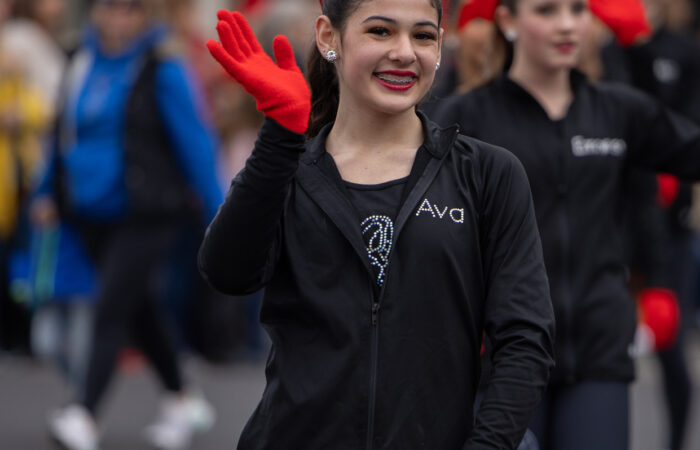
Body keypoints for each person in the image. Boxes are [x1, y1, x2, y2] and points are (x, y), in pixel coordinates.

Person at [200, 0, 555, 448]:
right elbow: (227, 273)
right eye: (381, 32)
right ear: (329, 37)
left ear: (441, 46)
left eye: (423, 36)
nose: (405, 52)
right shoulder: (289, 171)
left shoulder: (489, 174)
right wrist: (280, 137)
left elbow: (524, 339)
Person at [432, 0, 700, 449]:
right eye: (546, 10)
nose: (567, 25)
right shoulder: (468, 117)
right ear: (507, 21)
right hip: (501, 358)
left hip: (598, 354)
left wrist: (642, 49)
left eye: (578, 10)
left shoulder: (618, 110)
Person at [32, 0, 222, 449]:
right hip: (90, 211)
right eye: (111, 7)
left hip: (148, 212)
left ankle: (83, 413)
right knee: (141, 310)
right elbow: (61, 134)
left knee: (112, 305)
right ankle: (182, 399)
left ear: (145, 16)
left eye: (131, 9)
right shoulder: (79, 60)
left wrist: (221, 216)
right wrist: (46, 192)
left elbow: (197, 144)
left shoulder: (164, 67)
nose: (120, 18)